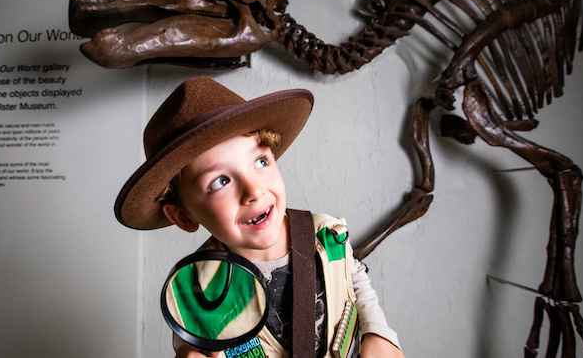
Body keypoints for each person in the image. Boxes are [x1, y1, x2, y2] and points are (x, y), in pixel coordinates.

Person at [115, 76, 404, 358]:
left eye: (260, 161)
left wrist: (379, 333)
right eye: (220, 182)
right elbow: (189, 332)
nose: (253, 190)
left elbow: (353, 277)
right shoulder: (198, 282)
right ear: (183, 215)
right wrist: (189, 351)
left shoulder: (326, 232)